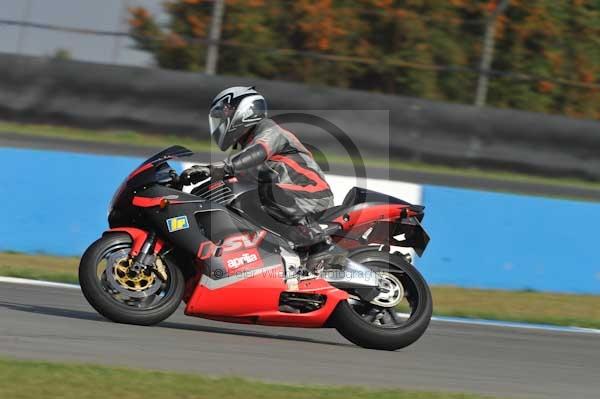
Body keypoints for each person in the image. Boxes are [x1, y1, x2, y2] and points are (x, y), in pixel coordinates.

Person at [180, 86, 334, 251]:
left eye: (224, 117)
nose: (220, 125)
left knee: (266, 193)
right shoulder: (246, 150)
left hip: (311, 194)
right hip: (288, 199)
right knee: (240, 203)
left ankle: (319, 243)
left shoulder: (269, 130)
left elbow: (258, 152)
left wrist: (215, 168)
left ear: (244, 111)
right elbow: (232, 180)